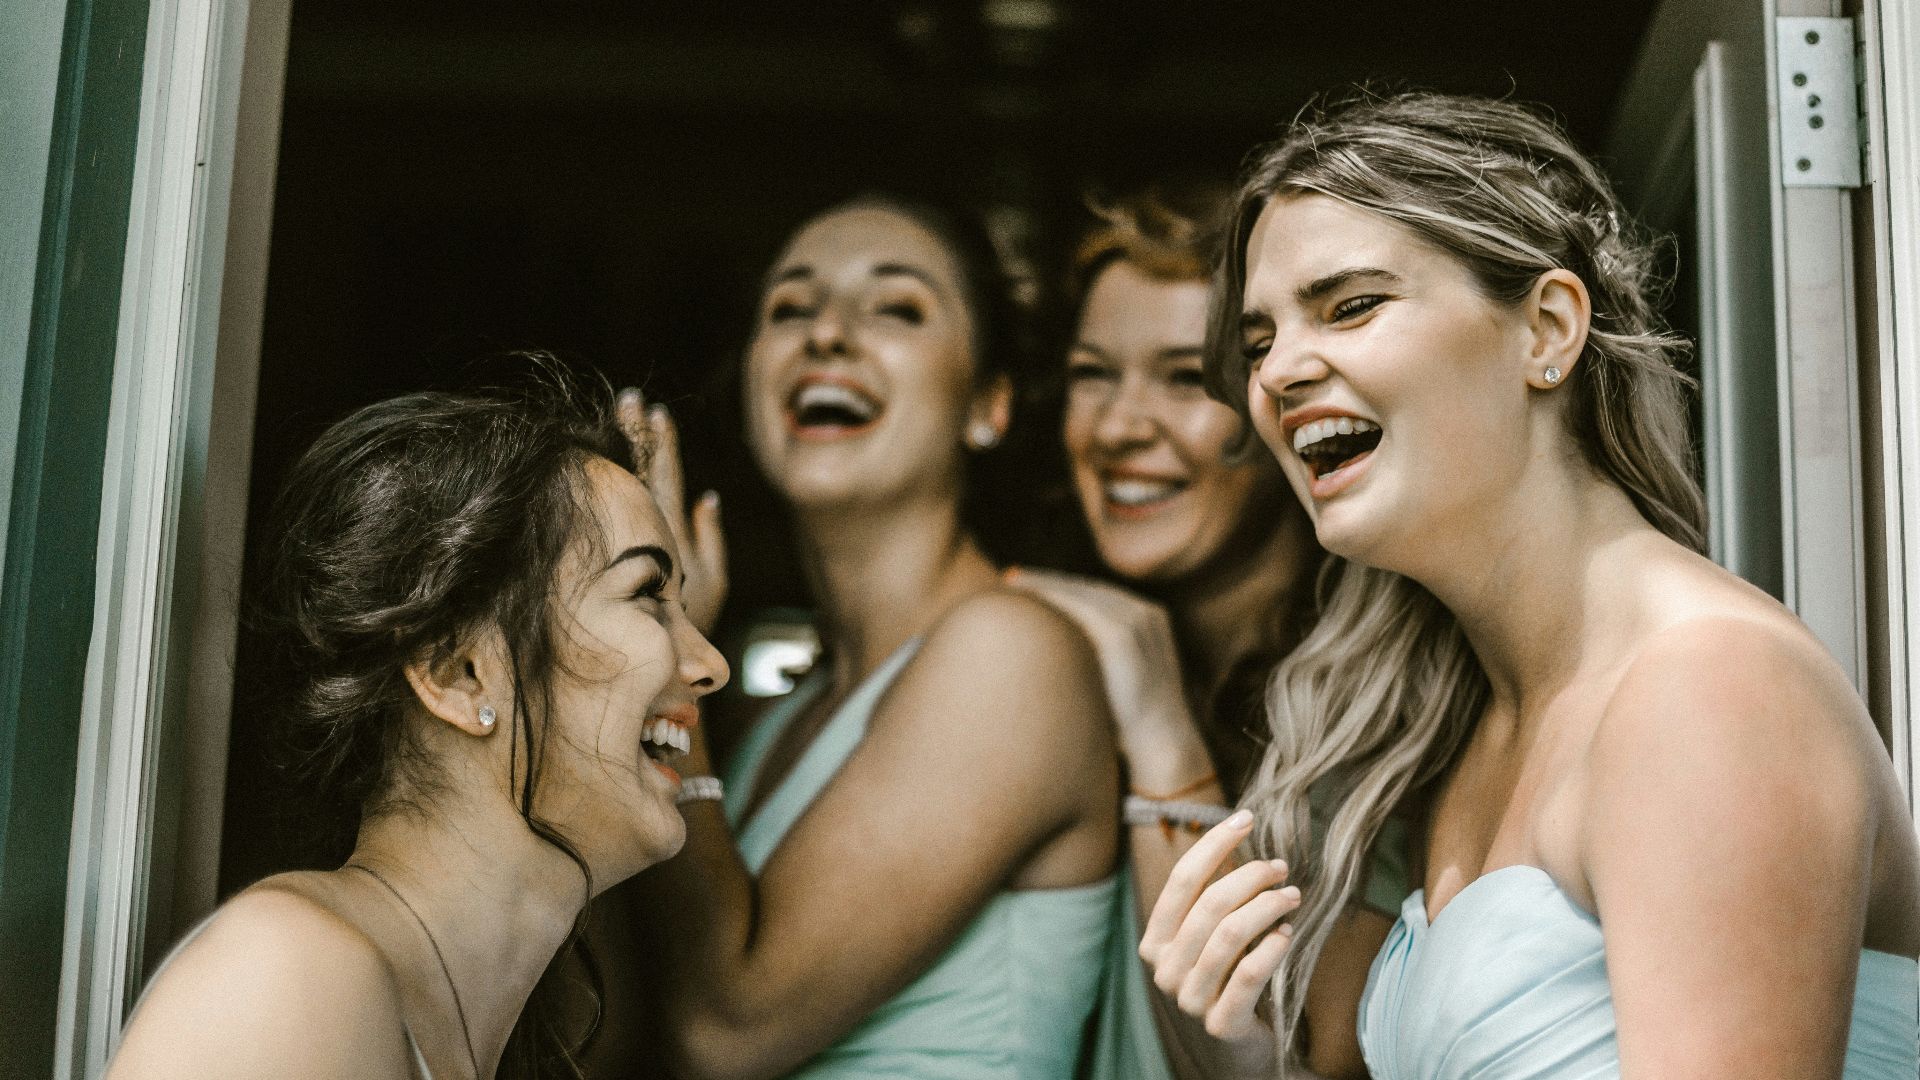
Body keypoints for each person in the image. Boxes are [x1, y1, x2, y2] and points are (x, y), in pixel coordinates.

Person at [1142, 92, 1920, 1078]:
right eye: (1260, 343)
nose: (1283, 371)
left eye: (1351, 305)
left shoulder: (1707, 684)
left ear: (1547, 330)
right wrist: (1249, 1045)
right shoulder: (1469, 736)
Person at [600, 194, 1120, 1080]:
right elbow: (616, 1030)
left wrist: (665, 650)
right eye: (790, 308)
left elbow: (729, 1028)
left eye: (896, 307)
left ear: (989, 405)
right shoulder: (773, 718)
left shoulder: (1010, 653)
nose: (828, 336)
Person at [106, 366, 728, 1080]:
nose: (712, 664)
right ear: (457, 673)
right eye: (649, 593)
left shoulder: (469, 1034)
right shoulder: (290, 975)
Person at [1012, 189, 1407, 1080]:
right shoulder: (1045, 649)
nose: (1118, 427)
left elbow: (1320, 1063)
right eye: (1091, 373)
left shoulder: (1382, 700)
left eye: (1186, 379)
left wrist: (1160, 731)